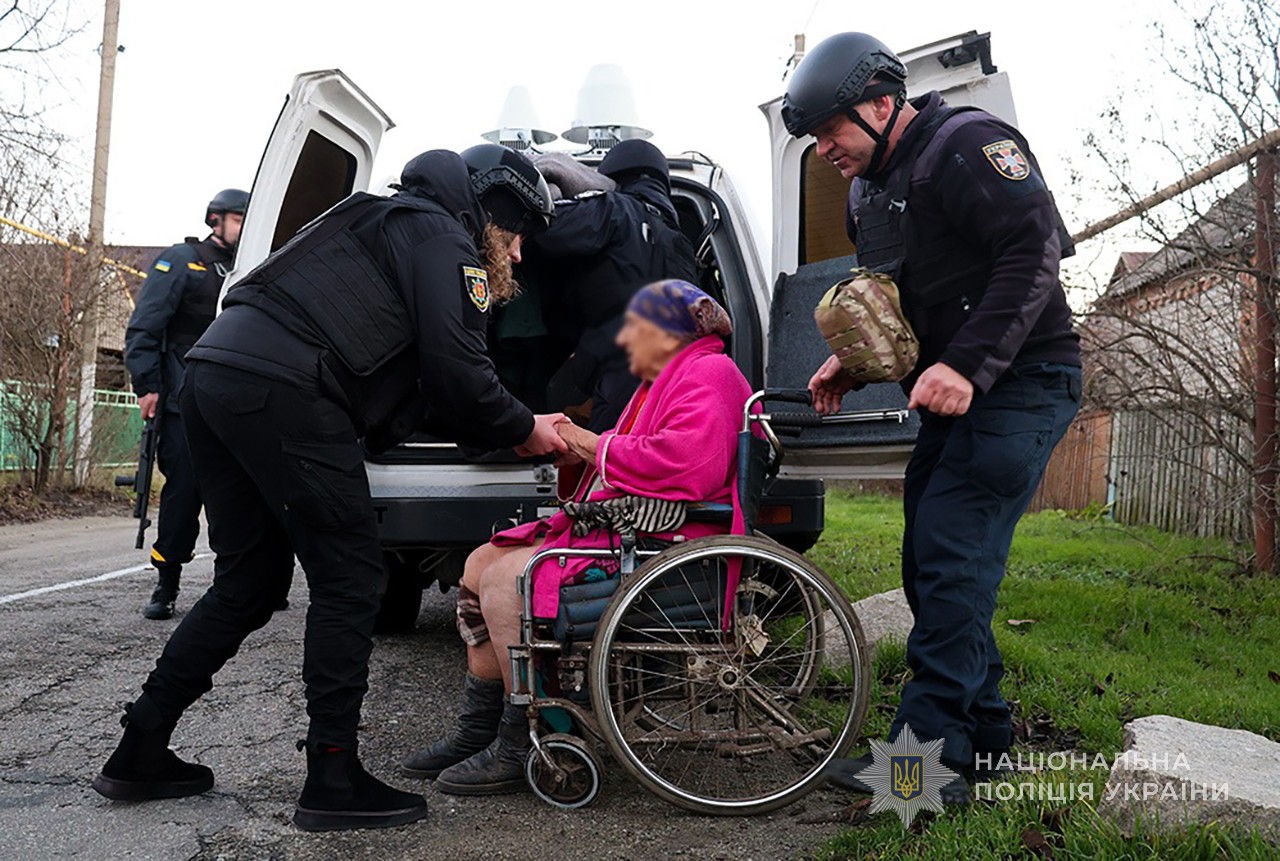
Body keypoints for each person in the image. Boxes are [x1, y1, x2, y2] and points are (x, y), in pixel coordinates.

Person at [93, 145, 567, 832]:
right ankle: (332, 775)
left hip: (215, 377)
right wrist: (525, 425)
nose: (518, 254)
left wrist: (490, 421)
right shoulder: (447, 237)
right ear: (494, 207)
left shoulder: (371, 215)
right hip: (285, 388)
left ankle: (139, 746)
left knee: (248, 583)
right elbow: (460, 372)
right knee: (349, 575)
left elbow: (415, 376)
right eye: (518, 233)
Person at [782, 33, 1083, 803]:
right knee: (929, 558)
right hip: (959, 394)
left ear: (883, 104)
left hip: (1024, 381)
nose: (824, 151)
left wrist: (967, 363)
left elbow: (1035, 248)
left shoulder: (968, 145)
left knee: (953, 554)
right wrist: (851, 363)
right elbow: (903, 302)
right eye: (813, 139)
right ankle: (984, 740)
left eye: (831, 132)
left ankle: (922, 767)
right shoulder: (866, 195)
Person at [400, 280, 747, 795]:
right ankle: (478, 729)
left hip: (670, 548)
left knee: (506, 583)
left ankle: (520, 743)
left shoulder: (710, 373)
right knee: (478, 563)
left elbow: (686, 465)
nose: (628, 341)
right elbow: (648, 451)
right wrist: (579, 452)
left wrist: (589, 442)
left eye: (639, 327)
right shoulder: (676, 376)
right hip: (641, 530)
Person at [123, 189, 247, 620]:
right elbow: (145, 326)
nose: (243, 226)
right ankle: (167, 581)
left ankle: (247, 581)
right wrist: (147, 386)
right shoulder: (182, 260)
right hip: (182, 400)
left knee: (246, 495)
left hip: (237, 403)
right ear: (216, 219)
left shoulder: (251, 266)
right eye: (237, 218)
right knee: (183, 493)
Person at [524, 140, 698, 431]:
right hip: (676, 386)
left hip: (619, 377)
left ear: (611, 178)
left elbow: (544, 229)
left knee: (609, 467)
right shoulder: (682, 244)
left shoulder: (616, 210)